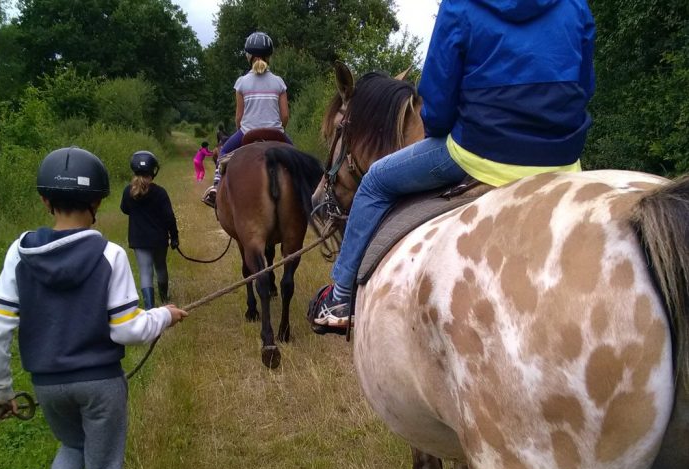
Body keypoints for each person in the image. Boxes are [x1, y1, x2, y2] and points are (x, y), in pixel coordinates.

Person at [309, 0, 596, 331]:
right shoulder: (575, 5)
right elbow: (585, 87)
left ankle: (340, 297)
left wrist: (444, 124)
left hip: (478, 153)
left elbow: (437, 105)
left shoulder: (460, 6)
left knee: (375, 182)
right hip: (561, 159)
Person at [0, 146, 188, 469]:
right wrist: (164, 315)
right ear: (97, 202)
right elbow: (128, 329)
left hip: (49, 384)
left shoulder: (18, 252)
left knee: (73, 445)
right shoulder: (110, 255)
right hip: (101, 385)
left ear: (44, 200)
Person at [202, 31, 290, 207]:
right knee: (299, 159)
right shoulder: (279, 82)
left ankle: (215, 187)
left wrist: (240, 130)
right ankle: (310, 191)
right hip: (276, 133)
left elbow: (239, 117)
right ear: (269, 56)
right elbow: (285, 116)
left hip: (247, 132)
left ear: (248, 56)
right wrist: (279, 130)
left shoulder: (241, 82)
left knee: (224, 152)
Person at [120, 151, 179, 308]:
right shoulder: (160, 193)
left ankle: (149, 307)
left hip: (139, 239)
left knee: (145, 271)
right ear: (153, 171)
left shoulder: (128, 191)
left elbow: (124, 209)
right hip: (158, 239)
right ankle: (164, 299)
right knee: (160, 266)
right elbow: (169, 217)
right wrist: (174, 236)